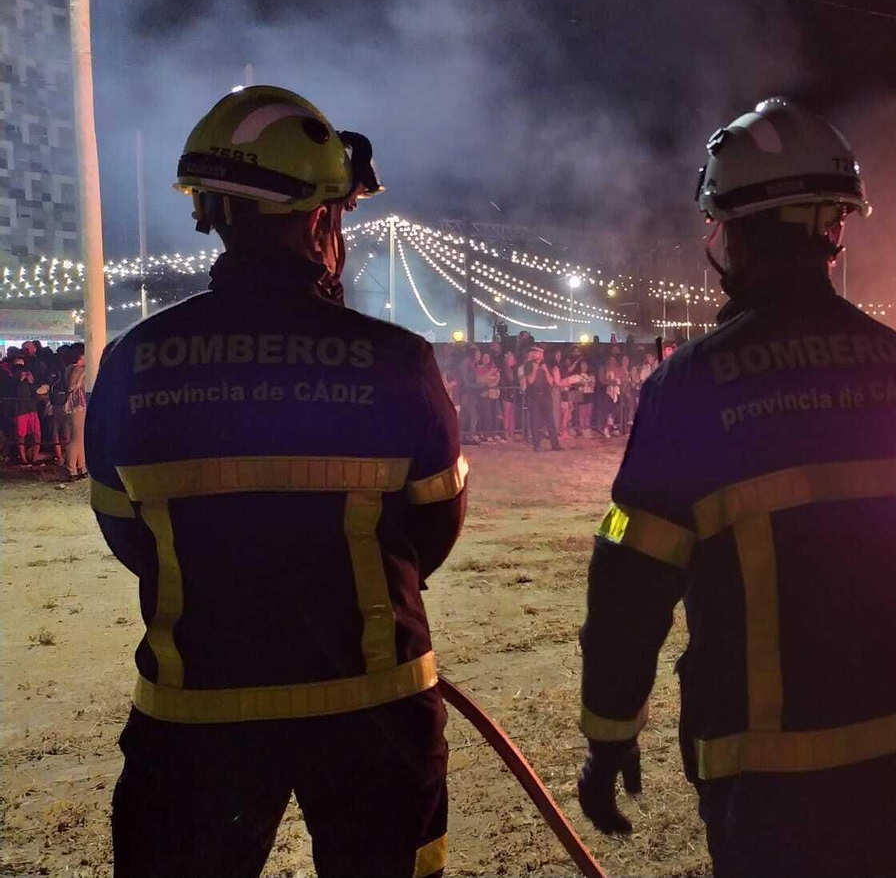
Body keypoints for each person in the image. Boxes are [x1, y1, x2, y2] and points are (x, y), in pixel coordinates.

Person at [576, 98, 896, 877]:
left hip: (763, 781)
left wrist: (610, 728)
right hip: (895, 755)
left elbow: (630, 580)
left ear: (729, 233)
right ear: (837, 228)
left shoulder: (688, 387)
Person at [86, 86, 464, 878]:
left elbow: (127, 530)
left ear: (212, 214)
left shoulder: (132, 362)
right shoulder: (397, 362)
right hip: (373, 716)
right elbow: (430, 528)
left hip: (194, 723)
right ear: (321, 217)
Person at [520, 346, 562, 451]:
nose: (535, 354)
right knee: (535, 421)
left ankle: (555, 445)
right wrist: (535, 369)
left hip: (546, 396)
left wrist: (545, 370)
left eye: (537, 352)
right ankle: (537, 445)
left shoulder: (546, 365)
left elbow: (551, 382)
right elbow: (530, 380)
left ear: (542, 354)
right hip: (534, 397)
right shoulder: (528, 365)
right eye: (534, 352)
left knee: (550, 421)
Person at [57, 347, 88, 480]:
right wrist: (84, 369)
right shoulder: (75, 369)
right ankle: (71, 469)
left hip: (78, 406)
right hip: (75, 406)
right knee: (75, 439)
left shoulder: (70, 368)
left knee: (79, 439)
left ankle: (81, 467)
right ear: (80, 356)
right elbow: (71, 386)